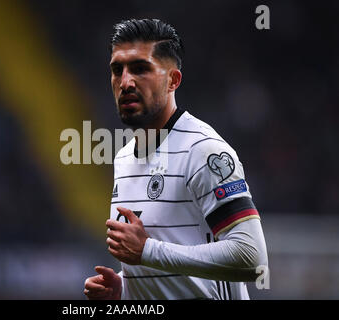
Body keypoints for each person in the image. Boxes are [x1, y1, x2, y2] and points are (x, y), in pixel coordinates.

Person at [84, 18, 268, 300]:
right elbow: (169, 256)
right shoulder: (123, 158)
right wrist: (124, 288)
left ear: (173, 80)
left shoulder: (202, 150)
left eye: (140, 69)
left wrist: (147, 250)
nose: (125, 82)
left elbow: (252, 258)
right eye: (117, 70)